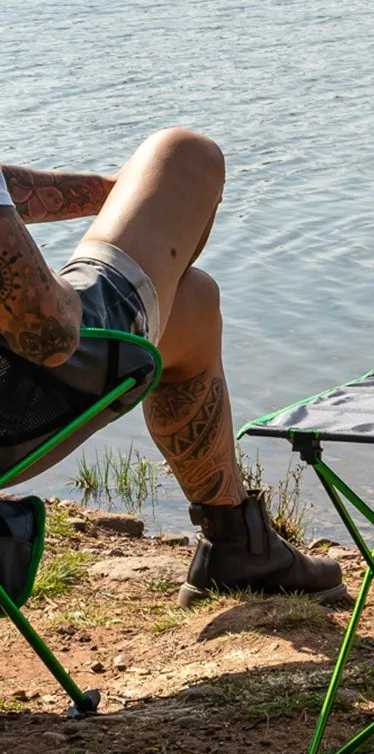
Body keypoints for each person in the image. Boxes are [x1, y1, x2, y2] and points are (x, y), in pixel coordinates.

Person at [0, 129, 342, 605]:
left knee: (192, 308)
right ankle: (237, 544)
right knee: (183, 156)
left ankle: (236, 545)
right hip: (25, 401)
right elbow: (49, 336)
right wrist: (161, 193)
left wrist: (122, 190)